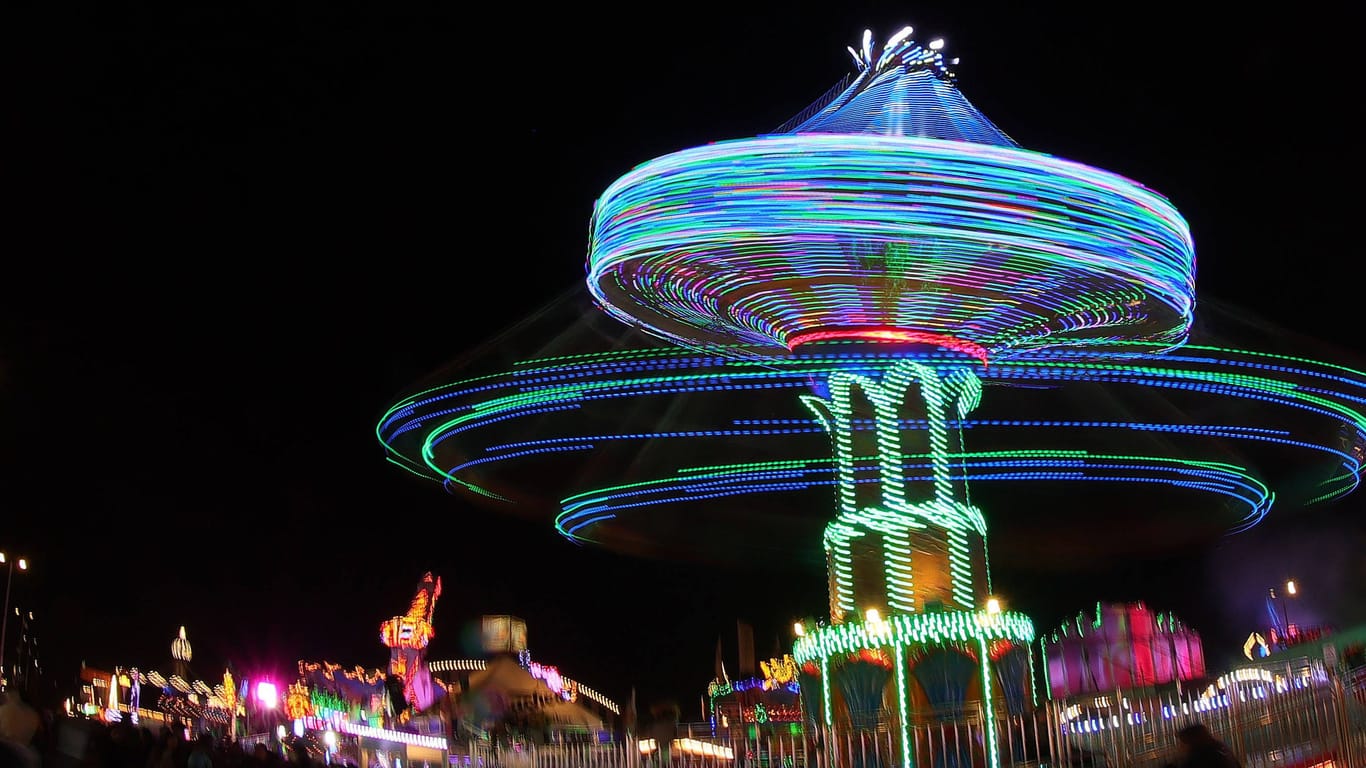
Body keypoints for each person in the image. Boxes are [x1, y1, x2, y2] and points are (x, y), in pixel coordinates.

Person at [1171, 722, 1241, 768]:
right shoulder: (1221, 751)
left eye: (1181, 744)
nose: (1179, 747)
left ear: (1191, 743)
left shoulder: (1198, 761)